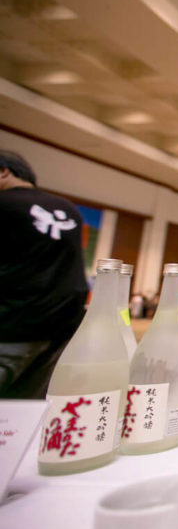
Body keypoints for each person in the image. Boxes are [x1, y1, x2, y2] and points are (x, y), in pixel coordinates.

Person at [0, 150, 88, 398]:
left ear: (3, 172)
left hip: (11, 324)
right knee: (27, 411)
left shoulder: (4, 205)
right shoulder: (67, 208)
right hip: (62, 327)